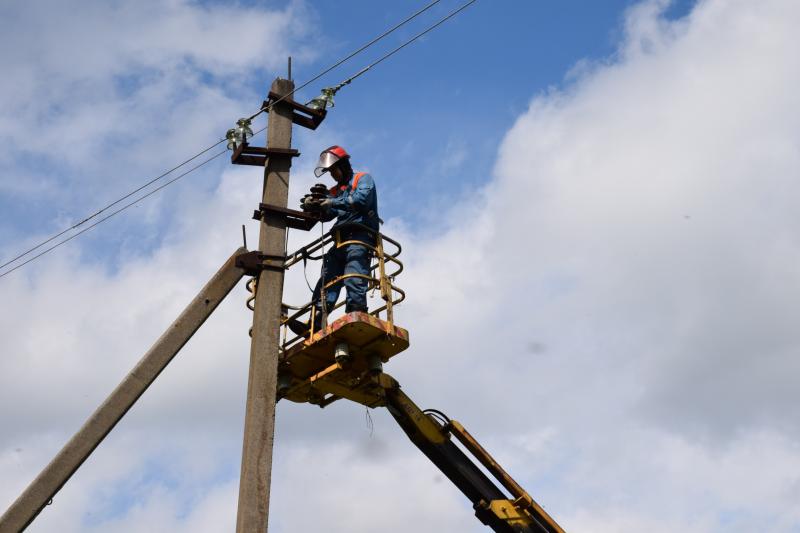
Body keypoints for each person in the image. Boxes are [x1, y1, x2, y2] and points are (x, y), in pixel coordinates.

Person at [291, 145, 380, 335]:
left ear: (344, 165)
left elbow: (361, 200)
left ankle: (356, 312)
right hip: (339, 241)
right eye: (330, 172)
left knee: (354, 276)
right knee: (327, 280)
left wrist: (330, 202)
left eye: (334, 170)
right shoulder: (336, 190)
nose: (333, 175)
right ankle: (315, 323)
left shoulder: (362, 179)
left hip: (360, 237)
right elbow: (328, 213)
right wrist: (314, 204)